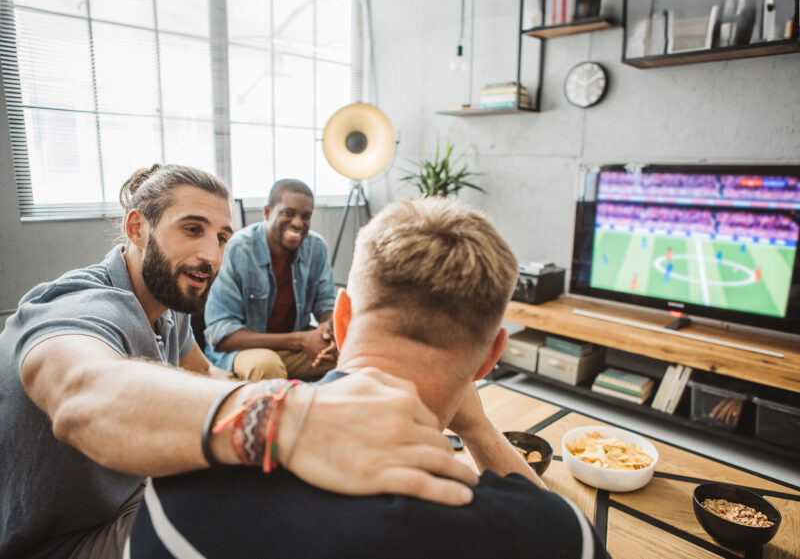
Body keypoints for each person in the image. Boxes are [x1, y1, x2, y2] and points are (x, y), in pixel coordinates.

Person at [0, 167, 479, 559]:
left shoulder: (169, 307)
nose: (211, 255)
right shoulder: (79, 306)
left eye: (223, 236)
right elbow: (84, 392)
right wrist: (290, 417)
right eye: (192, 229)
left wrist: (319, 400)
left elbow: (206, 375)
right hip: (63, 543)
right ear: (136, 228)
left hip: (129, 497)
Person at [130, 198, 610, 559]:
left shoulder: (178, 493)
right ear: (490, 358)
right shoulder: (552, 533)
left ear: (342, 320)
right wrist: (480, 429)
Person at [203, 178, 337, 381]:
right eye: (288, 213)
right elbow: (223, 337)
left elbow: (325, 305)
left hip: (291, 347)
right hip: (243, 352)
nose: (298, 223)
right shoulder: (238, 249)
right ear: (267, 212)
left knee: (352, 355)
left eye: (306, 216)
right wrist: (300, 340)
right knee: (266, 366)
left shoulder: (316, 247)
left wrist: (328, 327)